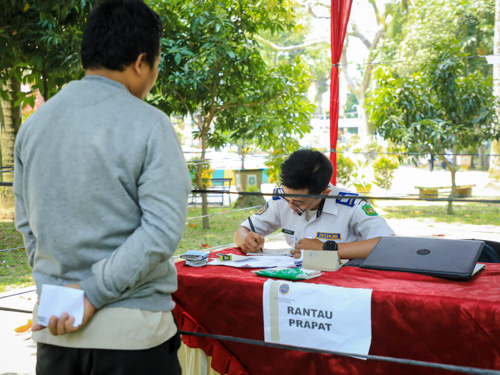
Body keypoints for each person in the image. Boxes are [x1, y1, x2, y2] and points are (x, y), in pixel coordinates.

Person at [13, 1, 191, 374]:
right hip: (132, 335)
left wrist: (60, 291)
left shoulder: (34, 126)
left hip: (55, 328)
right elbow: (160, 231)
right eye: (156, 66)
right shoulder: (150, 125)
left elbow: (27, 225)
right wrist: (91, 293)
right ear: (142, 62)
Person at [233, 149, 394, 259]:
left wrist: (327, 249)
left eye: (299, 202)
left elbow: (387, 244)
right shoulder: (281, 199)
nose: (290, 206)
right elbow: (241, 231)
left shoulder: (352, 204)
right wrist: (246, 239)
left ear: (324, 193)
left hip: (342, 281)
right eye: (288, 198)